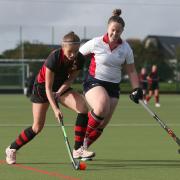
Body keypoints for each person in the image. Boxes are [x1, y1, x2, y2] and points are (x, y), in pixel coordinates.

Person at [5, 31, 95, 165]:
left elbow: (70, 80)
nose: (73, 54)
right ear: (62, 48)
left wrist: (59, 92)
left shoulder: (80, 59)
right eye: (70, 51)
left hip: (60, 87)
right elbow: (48, 88)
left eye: (76, 51)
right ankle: (12, 148)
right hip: (42, 88)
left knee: (82, 108)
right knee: (37, 127)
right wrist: (55, 109)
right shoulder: (54, 58)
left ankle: (78, 149)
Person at [79, 9, 143, 152]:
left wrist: (137, 88)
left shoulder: (126, 48)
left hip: (113, 86)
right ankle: (79, 144)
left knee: (103, 123)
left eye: (118, 32)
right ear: (108, 28)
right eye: (112, 30)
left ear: (122, 32)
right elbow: (76, 57)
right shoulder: (95, 43)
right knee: (102, 106)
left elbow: (131, 70)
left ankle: (84, 148)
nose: (115, 34)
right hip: (94, 82)